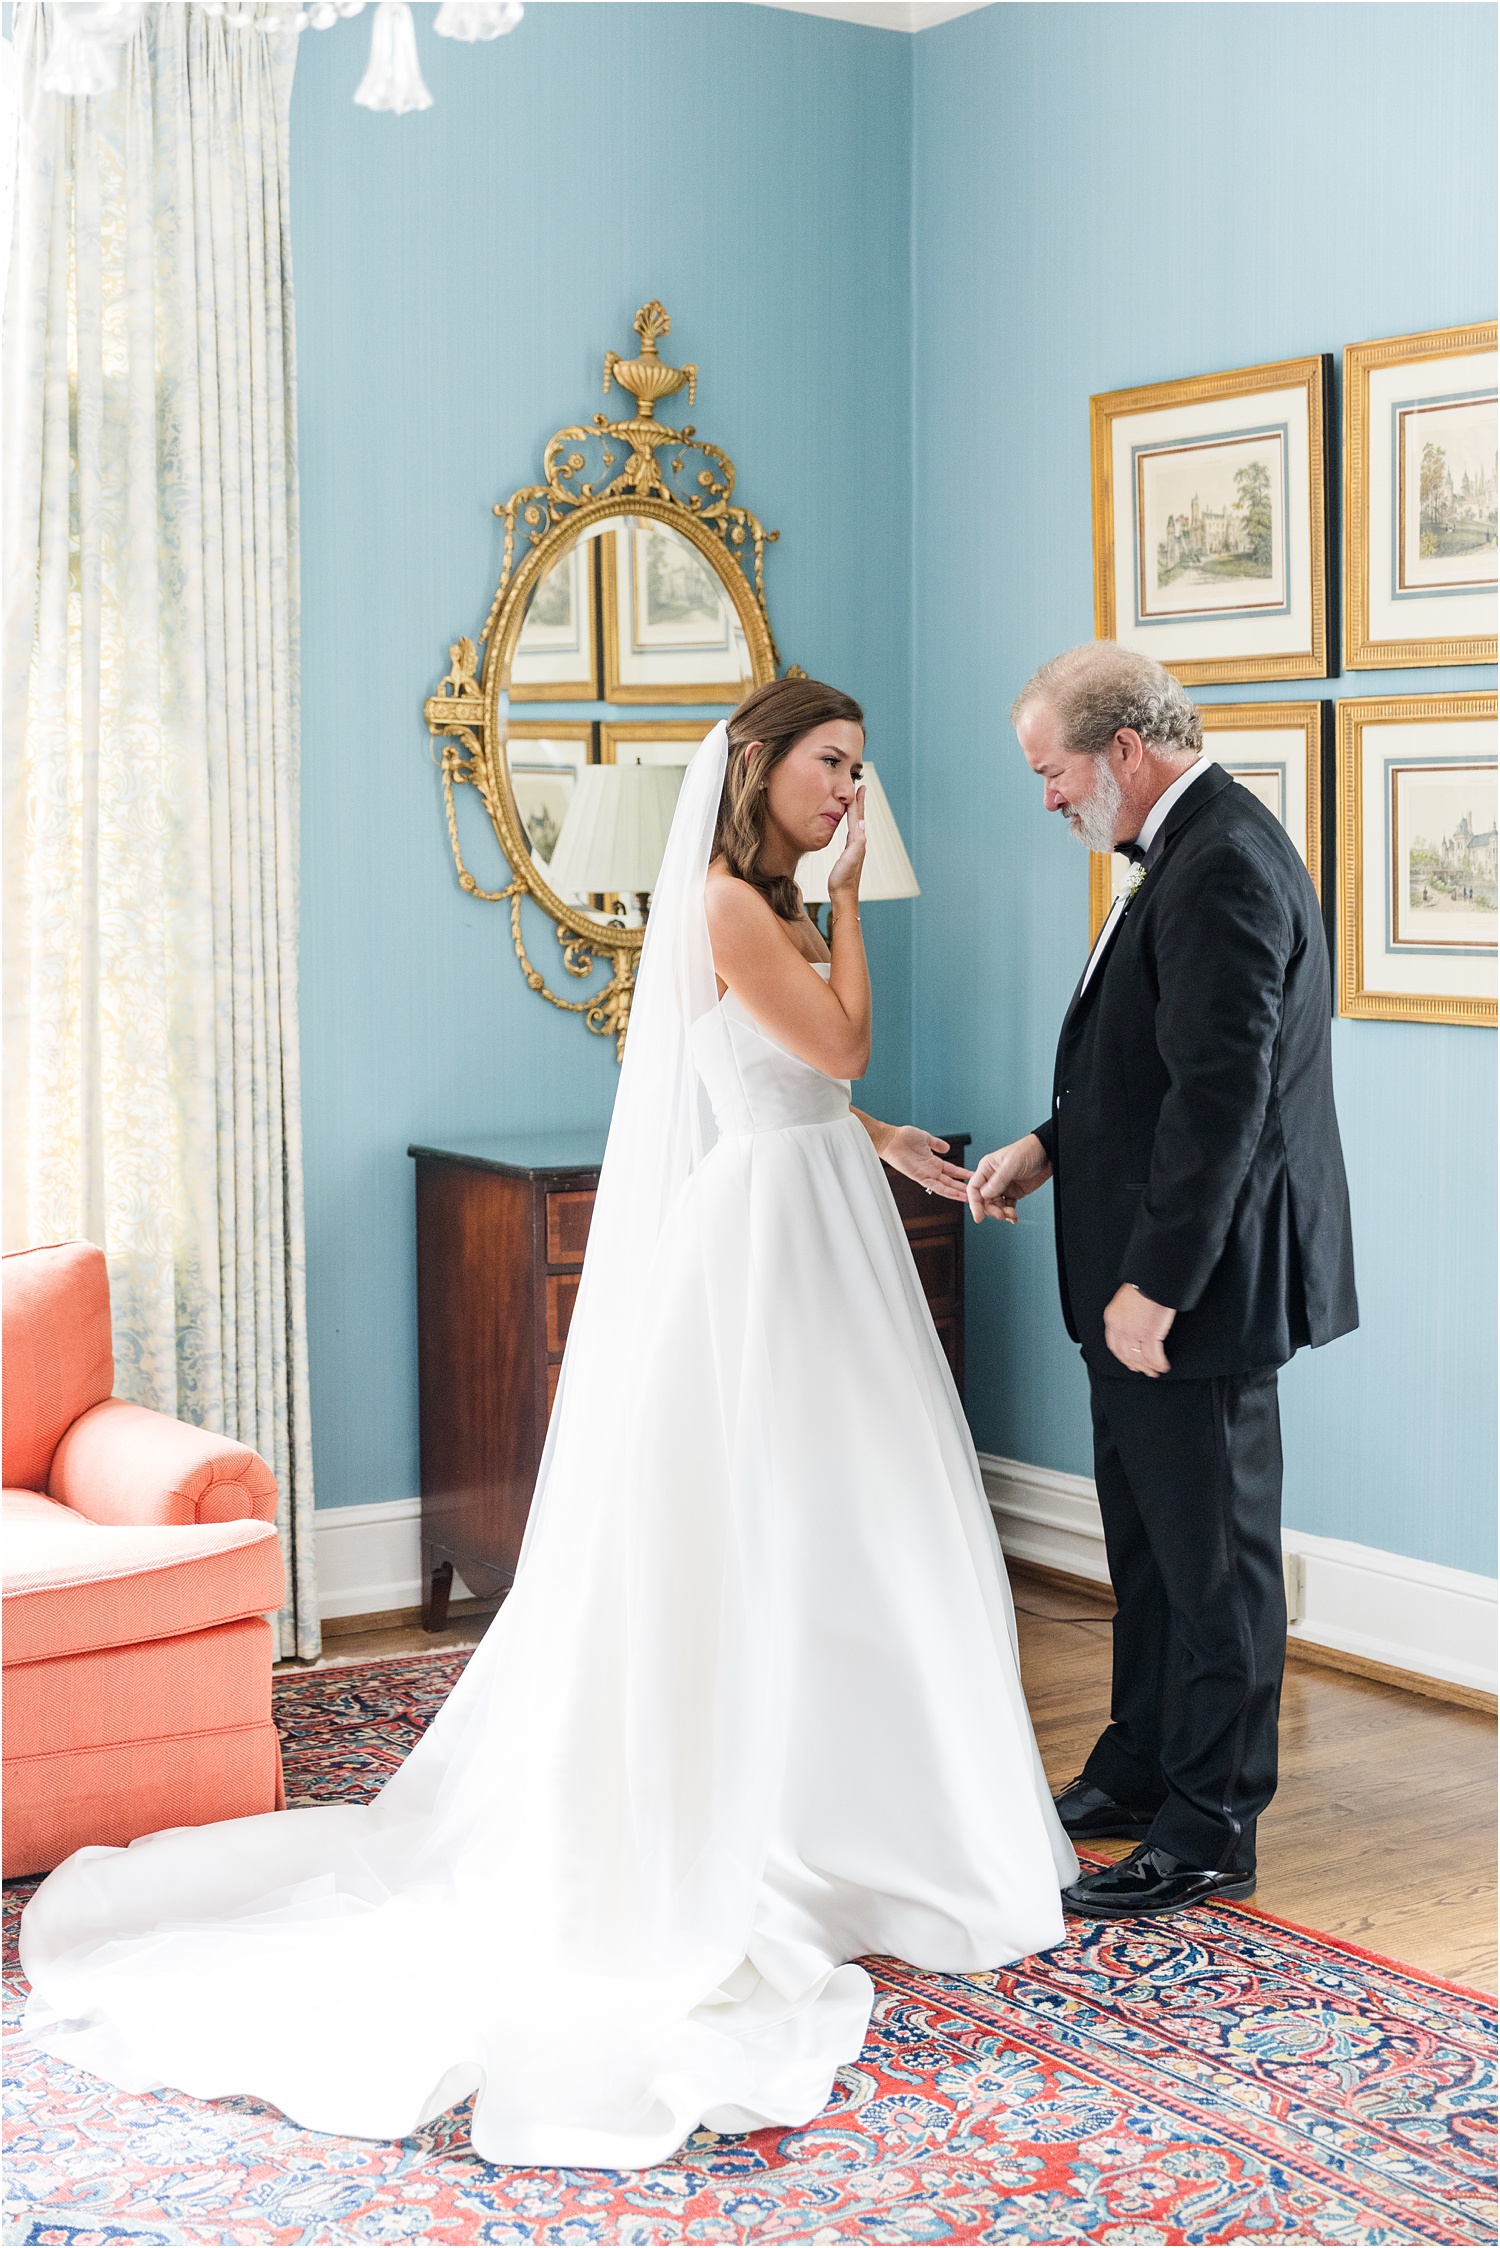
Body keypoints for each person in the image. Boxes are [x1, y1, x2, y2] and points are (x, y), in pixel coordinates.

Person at [21, 678, 1074, 2170]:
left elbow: (793, 1086)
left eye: (861, 771)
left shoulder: (751, 903)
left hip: (814, 1207)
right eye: (834, 766)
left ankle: (861, 1803)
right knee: (783, 1515)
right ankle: (785, 1821)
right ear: (763, 765)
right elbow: (831, 1041)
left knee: (851, 1521)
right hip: (769, 1248)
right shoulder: (728, 901)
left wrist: (879, 1135)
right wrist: (853, 915)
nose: (853, 792)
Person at [969, 643, 1357, 1923]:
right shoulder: (1176, 852)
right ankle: (1139, 1766)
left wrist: (1157, 1284)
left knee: (1216, 1565)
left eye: (1052, 770)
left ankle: (1209, 1822)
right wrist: (1046, 1142)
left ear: (1123, 752)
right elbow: (1139, 1067)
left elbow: (1222, 1102)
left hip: (1195, 1290)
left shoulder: (1226, 863)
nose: (1046, 798)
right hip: (1135, 1279)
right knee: (1143, 1547)